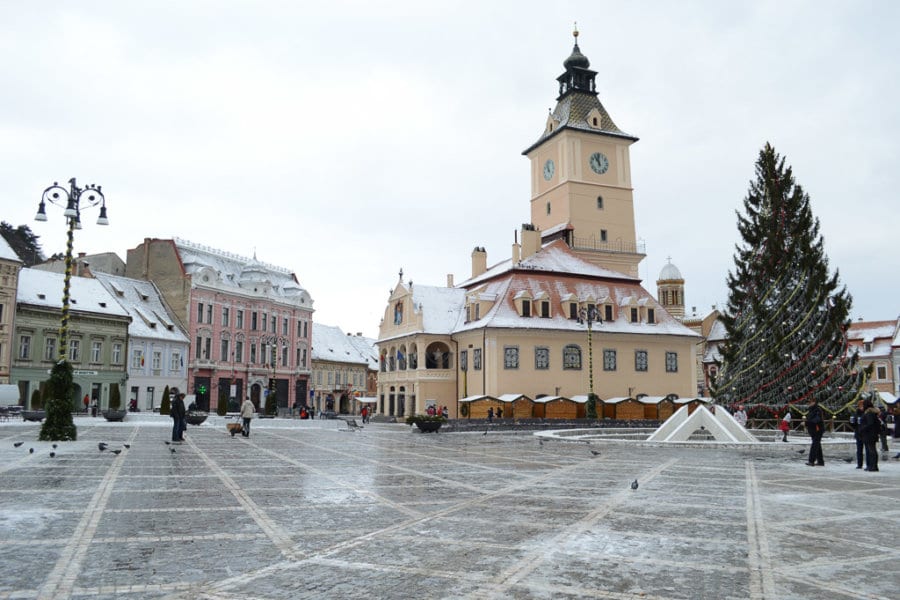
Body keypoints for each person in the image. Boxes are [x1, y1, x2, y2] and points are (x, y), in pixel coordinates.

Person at [858, 398, 880, 472]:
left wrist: (862, 428)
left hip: (869, 434)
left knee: (871, 451)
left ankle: (873, 466)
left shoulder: (869, 413)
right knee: (872, 450)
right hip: (872, 434)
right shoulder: (871, 412)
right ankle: (873, 465)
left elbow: (870, 424)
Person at [805, 397, 825, 466]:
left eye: (810, 402)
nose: (809, 404)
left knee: (814, 445)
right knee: (817, 445)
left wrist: (806, 423)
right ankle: (820, 461)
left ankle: (811, 460)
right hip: (813, 430)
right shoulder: (811, 410)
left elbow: (817, 420)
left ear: (814, 402)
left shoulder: (817, 410)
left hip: (818, 430)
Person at [850, 399, 866, 469]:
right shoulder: (856, 413)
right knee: (859, 450)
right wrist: (852, 421)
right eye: (860, 406)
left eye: (862, 406)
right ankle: (859, 464)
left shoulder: (867, 413)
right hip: (858, 433)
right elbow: (853, 423)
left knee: (868, 449)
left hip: (865, 433)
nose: (861, 407)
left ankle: (869, 464)